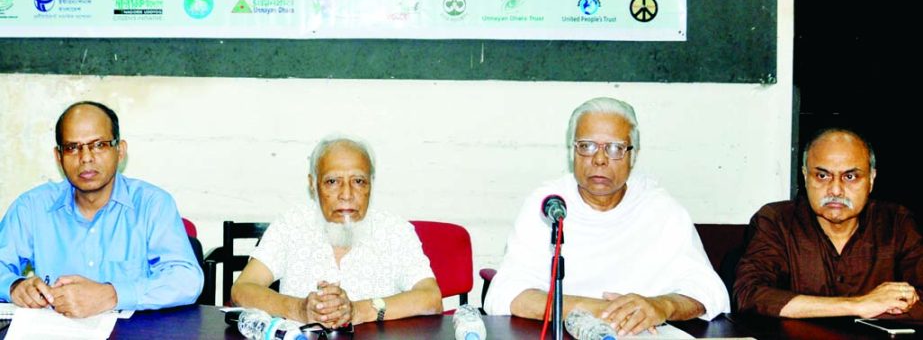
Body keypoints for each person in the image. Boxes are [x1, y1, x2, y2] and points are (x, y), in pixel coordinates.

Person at [484, 97, 730, 336]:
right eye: (587, 146)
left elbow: (709, 291)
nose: (599, 159)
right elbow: (505, 293)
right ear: (573, 151)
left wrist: (661, 306)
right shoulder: (550, 205)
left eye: (615, 149)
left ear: (633, 155)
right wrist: (603, 310)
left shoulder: (659, 208)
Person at [0, 101, 203, 317]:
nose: (86, 157)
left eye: (98, 145)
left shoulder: (152, 204)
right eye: (72, 148)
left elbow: (187, 279)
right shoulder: (31, 207)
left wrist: (112, 295)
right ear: (59, 157)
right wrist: (14, 287)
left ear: (120, 150)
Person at [231, 136, 442, 327]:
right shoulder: (291, 225)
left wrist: (359, 310)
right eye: (332, 182)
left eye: (358, 181)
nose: (347, 194)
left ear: (371, 184)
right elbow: (242, 290)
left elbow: (431, 298)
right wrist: (299, 310)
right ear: (313, 185)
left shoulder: (395, 231)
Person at [734, 128, 923, 319]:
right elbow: (749, 295)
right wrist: (858, 305)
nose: (835, 190)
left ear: (871, 179)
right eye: (822, 176)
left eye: (850, 177)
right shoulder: (777, 220)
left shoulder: (897, 223)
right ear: (805, 176)